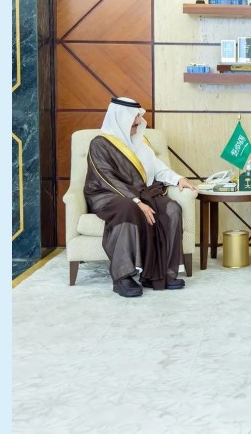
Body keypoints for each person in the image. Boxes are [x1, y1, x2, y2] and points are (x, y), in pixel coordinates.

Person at [84, 97, 197, 298]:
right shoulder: (100, 144)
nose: (138, 121)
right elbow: (107, 178)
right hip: (107, 195)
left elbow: (157, 168)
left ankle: (159, 273)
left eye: (138, 117)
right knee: (129, 209)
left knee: (172, 209)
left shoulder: (141, 141)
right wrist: (137, 202)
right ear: (120, 118)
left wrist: (178, 179)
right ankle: (123, 277)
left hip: (140, 193)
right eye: (134, 118)